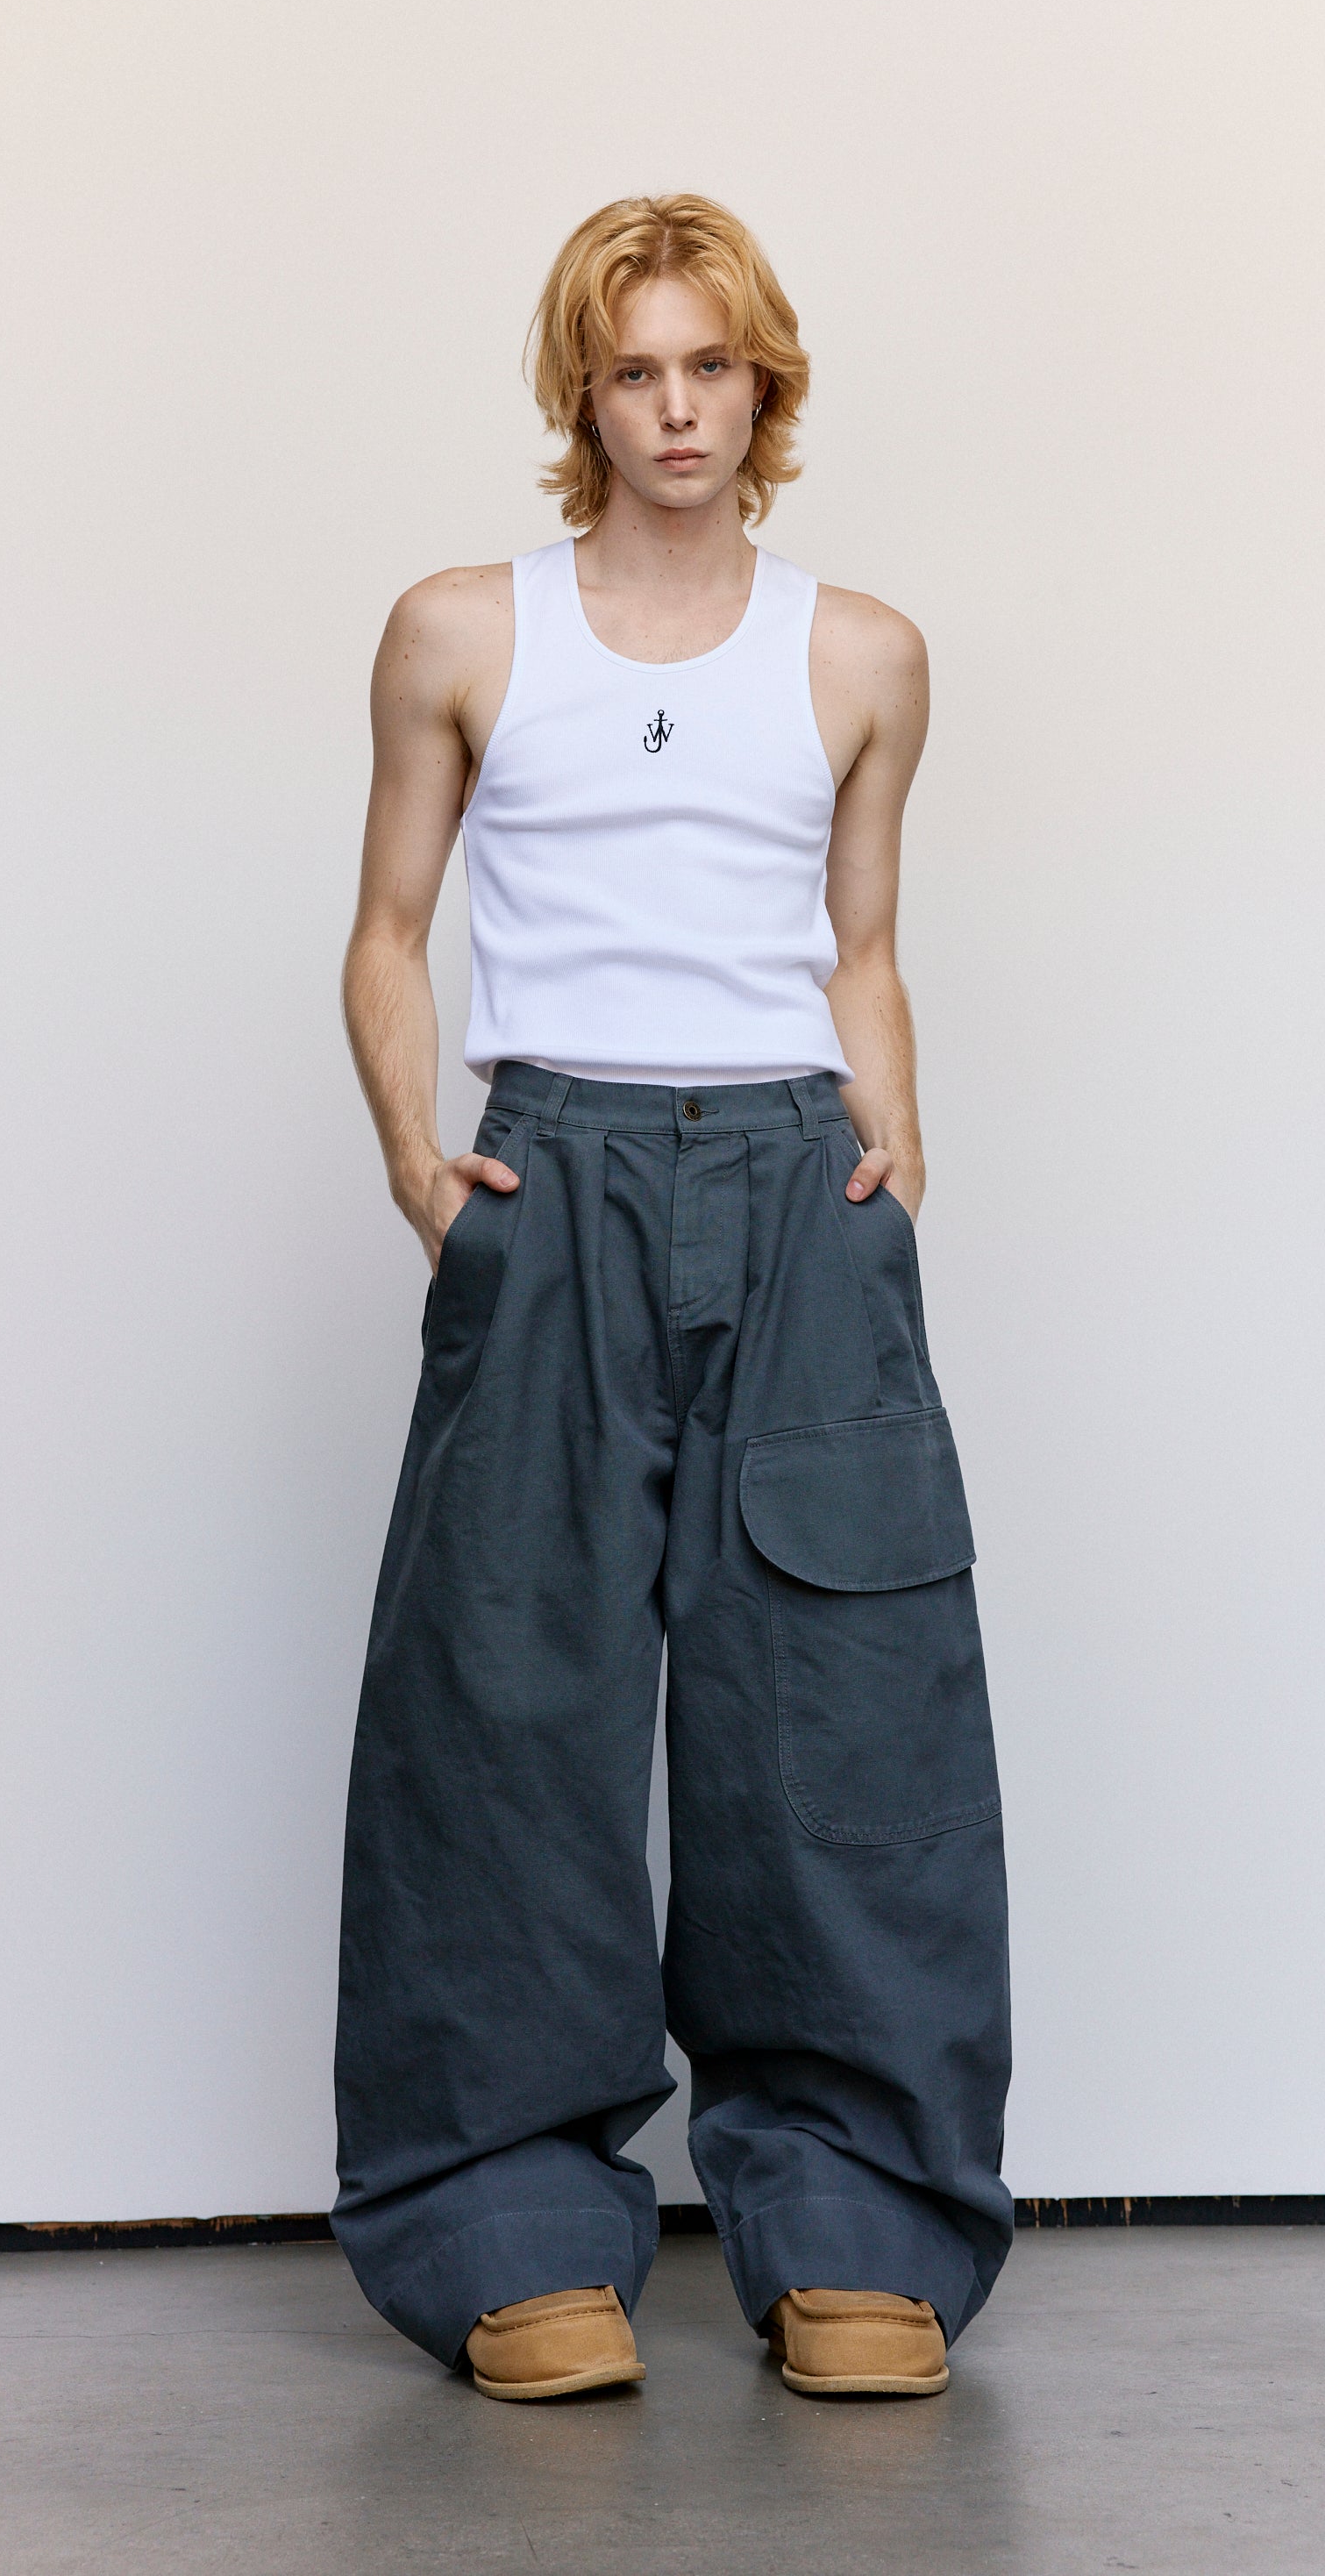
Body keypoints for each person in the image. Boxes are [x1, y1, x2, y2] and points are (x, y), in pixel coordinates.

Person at [333, 192, 1011, 2401]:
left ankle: (857, 2227)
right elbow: (387, 932)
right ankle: (506, 2226)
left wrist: (891, 1168)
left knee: (840, 1704)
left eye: (710, 365)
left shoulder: (861, 654)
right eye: (633, 370)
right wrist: (424, 1168)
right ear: (584, 394)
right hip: (558, 1173)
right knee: (506, 1702)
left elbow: (863, 946)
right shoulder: (462, 631)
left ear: (763, 382)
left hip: (800, 1184)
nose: (676, 409)